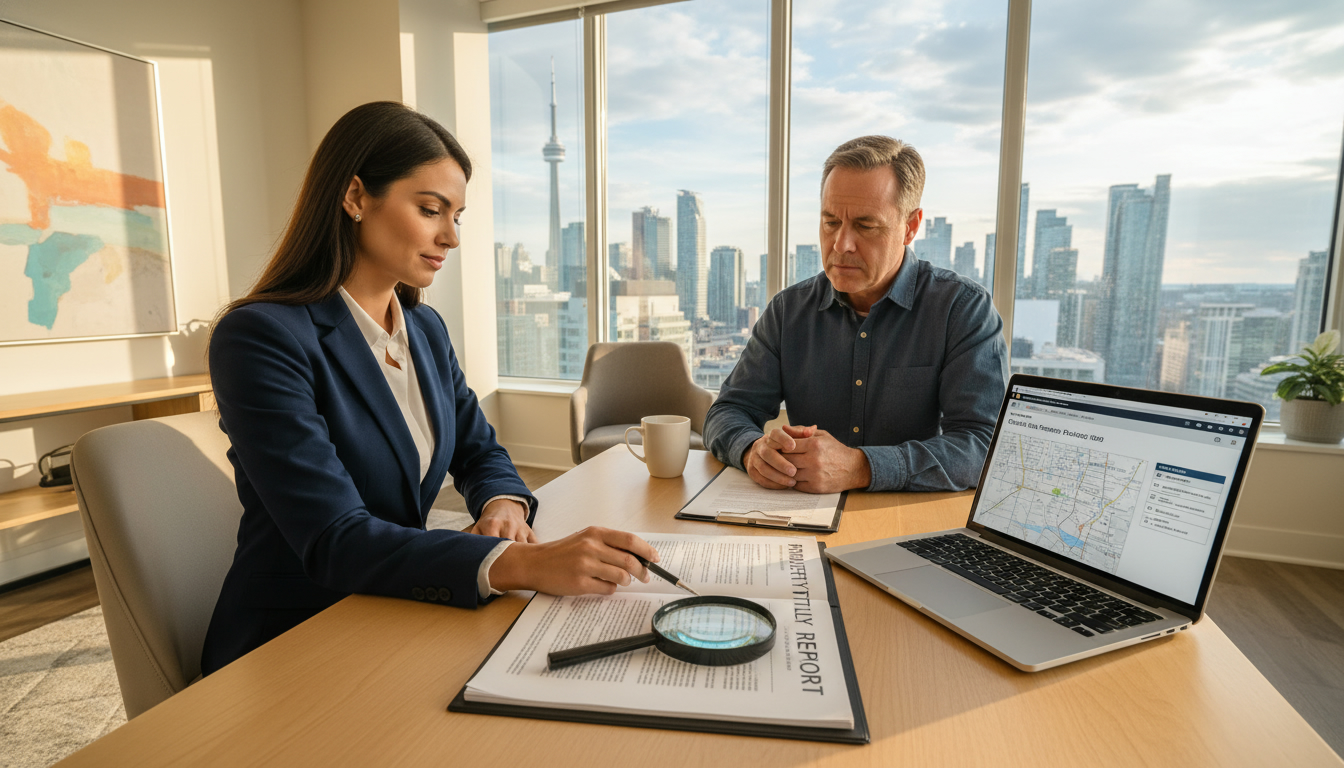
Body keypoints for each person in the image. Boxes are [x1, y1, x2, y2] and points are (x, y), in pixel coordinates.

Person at [201, 102, 657, 675]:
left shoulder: (424, 328)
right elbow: (335, 538)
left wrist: (503, 502)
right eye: (430, 209)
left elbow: (478, 448)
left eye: (457, 215)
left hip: (396, 608)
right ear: (355, 197)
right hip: (295, 638)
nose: (452, 236)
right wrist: (520, 562)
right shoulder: (261, 338)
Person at [703, 136, 1007, 495]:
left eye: (865, 226)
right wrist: (753, 450)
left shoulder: (962, 309)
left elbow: (983, 445)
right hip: (800, 520)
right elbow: (728, 411)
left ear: (910, 226)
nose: (841, 244)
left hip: (909, 524)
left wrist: (862, 468)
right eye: (830, 222)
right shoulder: (788, 311)